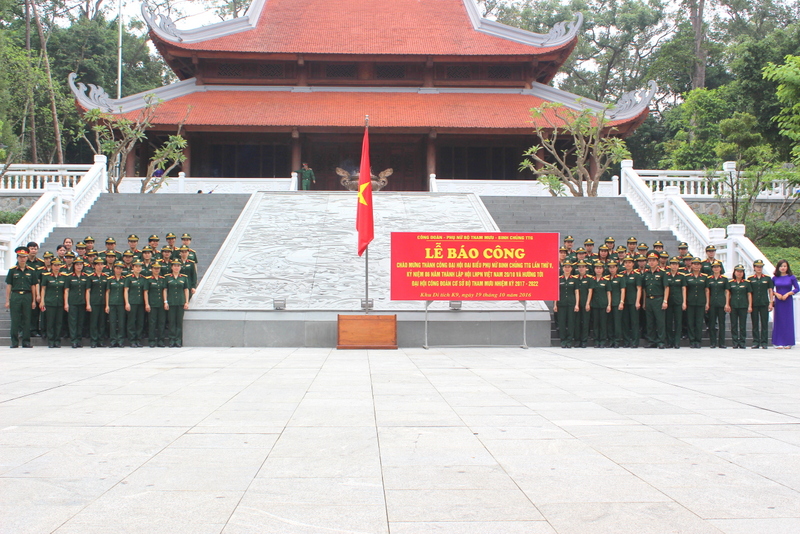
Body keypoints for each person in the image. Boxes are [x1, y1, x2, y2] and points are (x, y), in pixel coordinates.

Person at [5, 247, 39, 348]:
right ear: (17, 258)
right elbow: (9, 286)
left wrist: (33, 300)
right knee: (15, 319)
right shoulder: (12, 271)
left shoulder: (31, 271)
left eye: (24, 257)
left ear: (27, 258)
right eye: (20, 257)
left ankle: (26, 341)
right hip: (15, 295)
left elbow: (33, 286)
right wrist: (7, 300)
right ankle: (14, 342)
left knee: (27, 319)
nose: (22, 259)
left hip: (27, 295)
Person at [642, 252, 668, 349]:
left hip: (659, 299)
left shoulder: (662, 273)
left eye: (653, 260)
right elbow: (644, 289)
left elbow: (666, 287)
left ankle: (661, 341)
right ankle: (651, 340)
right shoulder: (646, 274)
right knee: (650, 322)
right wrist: (644, 302)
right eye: (650, 260)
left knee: (660, 321)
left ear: (657, 261)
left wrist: (665, 301)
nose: (651, 262)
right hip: (649, 299)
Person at [39, 259, 67, 348]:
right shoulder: (47, 276)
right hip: (50, 302)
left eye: (58, 265)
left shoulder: (63, 276)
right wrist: (42, 301)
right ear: (51, 266)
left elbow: (65, 290)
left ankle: (57, 340)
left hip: (60, 302)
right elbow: (43, 289)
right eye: (55, 265)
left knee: (58, 322)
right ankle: (50, 340)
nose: (57, 267)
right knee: (50, 322)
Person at [772, 259, 799, 349]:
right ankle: (778, 342)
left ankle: (788, 342)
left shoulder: (791, 277)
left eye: (784, 266)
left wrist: (788, 293)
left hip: (787, 300)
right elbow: (770, 289)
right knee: (779, 320)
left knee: (788, 320)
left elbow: (797, 288)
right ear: (778, 267)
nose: (783, 268)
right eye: (781, 266)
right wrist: (776, 294)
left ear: (787, 267)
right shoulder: (775, 278)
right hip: (779, 301)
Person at [64, 258, 90, 348]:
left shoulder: (86, 277)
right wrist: (66, 303)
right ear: (74, 266)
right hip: (72, 302)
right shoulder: (69, 277)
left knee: (80, 322)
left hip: (82, 302)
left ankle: (79, 339)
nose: (79, 266)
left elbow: (87, 291)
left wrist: (87, 303)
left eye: (80, 264)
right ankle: (73, 340)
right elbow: (66, 291)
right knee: (73, 321)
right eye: (77, 264)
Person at [748, 259, 774, 349]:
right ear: (754, 267)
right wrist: (750, 305)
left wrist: (771, 303)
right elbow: (749, 293)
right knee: (755, 323)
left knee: (764, 323)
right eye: (757, 266)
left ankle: (764, 342)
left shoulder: (767, 278)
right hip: (754, 303)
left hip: (764, 303)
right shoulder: (750, 279)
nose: (759, 268)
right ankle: (755, 341)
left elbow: (770, 290)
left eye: (760, 267)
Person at [165, 259, 191, 348]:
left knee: (179, 322)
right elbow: (165, 290)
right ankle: (172, 340)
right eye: (174, 266)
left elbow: (186, 290)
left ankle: (178, 340)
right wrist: (165, 301)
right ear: (171, 267)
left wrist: (186, 302)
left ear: (180, 267)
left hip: (180, 302)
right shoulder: (167, 277)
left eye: (178, 266)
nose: (176, 267)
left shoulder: (184, 277)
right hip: (171, 302)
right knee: (171, 322)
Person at [684, 258, 709, 349]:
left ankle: (698, 341)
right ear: (691, 265)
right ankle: (692, 340)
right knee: (690, 322)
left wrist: (707, 303)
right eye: (694, 264)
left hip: (701, 302)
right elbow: (685, 290)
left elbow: (706, 290)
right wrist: (685, 302)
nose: (696, 266)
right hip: (690, 302)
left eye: (698, 264)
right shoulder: (687, 277)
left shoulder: (704, 277)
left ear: (700, 266)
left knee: (699, 322)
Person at [554, 261, 578, 348]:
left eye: (569, 267)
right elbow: (556, 293)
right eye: (565, 267)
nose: (567, 268)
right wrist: (555, 305)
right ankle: (563, 340)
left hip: (571, 303)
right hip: (561, 304)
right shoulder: (559, 279)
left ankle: (569, 340)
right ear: (563, 268)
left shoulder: (574, 279)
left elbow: (576, 292)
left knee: (571, 322)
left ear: (571, 268)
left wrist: (577, 304)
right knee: (562, 323)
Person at [664, 257, 687, 349]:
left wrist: (684, 302)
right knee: (668, 322)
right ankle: (670, 341)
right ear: (669, 265)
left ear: (678, 266)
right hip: (669, 301)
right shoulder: (666, 275)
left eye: (676, 264)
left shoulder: (681, 276)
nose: (674, 266)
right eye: (672, 264)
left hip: (678, 301)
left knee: (678, 322)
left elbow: (684, 289)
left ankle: (677, 342)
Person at [707, 260, 730, 348]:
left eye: (717, 267)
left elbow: (727, 292)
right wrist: (707, 303)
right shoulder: (709, 279)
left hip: (721, 303)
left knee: (722, 323)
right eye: (714, 267)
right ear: (712, 269)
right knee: (712, 323)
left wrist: (727, 304)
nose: (716, 268)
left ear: (720, 268)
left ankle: (722, 342)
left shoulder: (724, 279)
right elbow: (707, 291)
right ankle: (713, 342)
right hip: (712, 303)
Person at [728, 265, 752, 350]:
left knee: (742, 325)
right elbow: (728, 294)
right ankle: (735, 342)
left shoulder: (746, 283)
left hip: (743, 305)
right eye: (737, 271)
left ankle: (742, 342)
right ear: (734, 272)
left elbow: (749, 294)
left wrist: (750, 305)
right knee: (734, 325)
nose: (739, 273)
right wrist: (727, 304)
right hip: (733, 305)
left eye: (741, 271)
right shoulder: (731, 283)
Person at [145, 262, 168, 347]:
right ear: (152, 269)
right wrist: (147, 304)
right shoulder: (149, 279)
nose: (156, 270)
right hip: (152, 304)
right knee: (152, 323)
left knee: (161, 323)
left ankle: (161, 340)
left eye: (158, 268)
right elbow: (146, 292)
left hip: (161, 304)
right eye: (155, 268)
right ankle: (151, 341)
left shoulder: (162, 279)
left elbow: (164, 291)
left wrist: (165, 302)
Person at [124, 260, 147, 348]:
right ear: (132, 268)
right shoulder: (129, 278)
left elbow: (145, 291)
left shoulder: (143, 278)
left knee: (140, 322)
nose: (138, 268)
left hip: (140, 303)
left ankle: (138, 339)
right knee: (131, 322)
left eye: (140, 266)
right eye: (136, 266)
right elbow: (126, 291)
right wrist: (127, 303)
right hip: (132, 302)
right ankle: (132, 340)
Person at [87, 258, 108, 348]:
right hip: (94, 302)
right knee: (94, 322)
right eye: (98, 264)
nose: (100, 266)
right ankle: (94, 340)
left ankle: (101, 340)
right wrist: (88, 303)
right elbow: (88, 291)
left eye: (101, 264)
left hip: (102, 302)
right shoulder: (90, 277)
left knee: (102, 322)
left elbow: (107, 291)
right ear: (94, 266)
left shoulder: (105, 277)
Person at [621, 256, 642, 348]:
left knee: (634, 322)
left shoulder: (637, 275)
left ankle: (635, 341)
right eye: (626, 263)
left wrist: (637, 301)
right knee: (625, 322)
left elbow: (639, 289)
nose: (628, 264)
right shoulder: (622, 275)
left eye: (629, 262)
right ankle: (626, 341)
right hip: (624, 301)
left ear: (633, 264)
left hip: (633, 301)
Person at [106, 262, 127, 348]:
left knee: (121, 322)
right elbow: (107, 292)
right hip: (112, 303)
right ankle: (113, 340)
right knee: (112, 322)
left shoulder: (124, 279)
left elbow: (126, 291)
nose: (119, 270)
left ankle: (120, 340)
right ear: (114, 269)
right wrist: (107, 305)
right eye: (117, 268)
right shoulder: (110, 279)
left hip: (121, 303)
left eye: (120, 268)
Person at [606, 260, 626, 348]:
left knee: (617, 323)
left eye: (613, 267)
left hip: (617, 302)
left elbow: (623, 290)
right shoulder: (606, 278)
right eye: (610, 267)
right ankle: (611, 340)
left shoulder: (620, 278)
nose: (612, 269)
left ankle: (617, 340)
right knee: (609, 323)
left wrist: (621, 302)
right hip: (608, 304)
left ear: (617, 268)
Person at [574, 260, 593, 348]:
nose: (581, 269)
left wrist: (588, 303)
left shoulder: (589, 279)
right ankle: (577, 340)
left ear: (586, 268)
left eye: (583, 267)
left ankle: (584, 340)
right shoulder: (575, 278)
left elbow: (590, 292)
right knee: (577, 322)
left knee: (585, 322)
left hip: (586, 302)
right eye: (580, 267)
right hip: (577, 303)